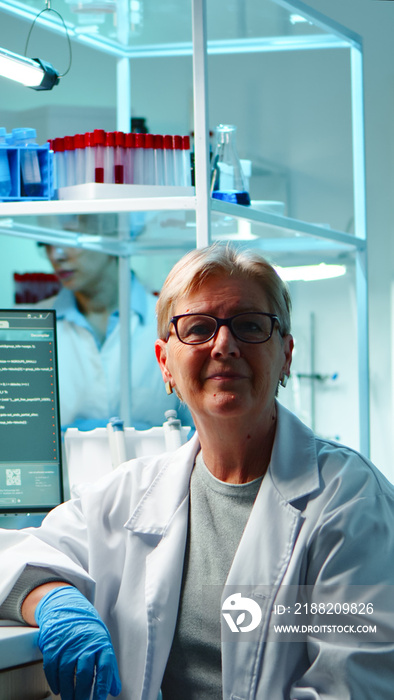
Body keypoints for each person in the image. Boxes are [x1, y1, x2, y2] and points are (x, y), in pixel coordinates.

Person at [1, 243, 394, 699]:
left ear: (285, 355)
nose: (224, 345)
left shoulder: (350, 502)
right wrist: (53, 600)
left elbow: (354, 688)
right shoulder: (132, 494)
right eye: (198, 328)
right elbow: (14, 557)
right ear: (165, 362)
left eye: (249, 325)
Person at [34, 213, 187, 431]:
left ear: (113, 236)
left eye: (69, 239)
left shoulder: (171, 320)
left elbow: (196, 429)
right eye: (46, 244)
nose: (55, 256)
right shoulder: (35, 324)